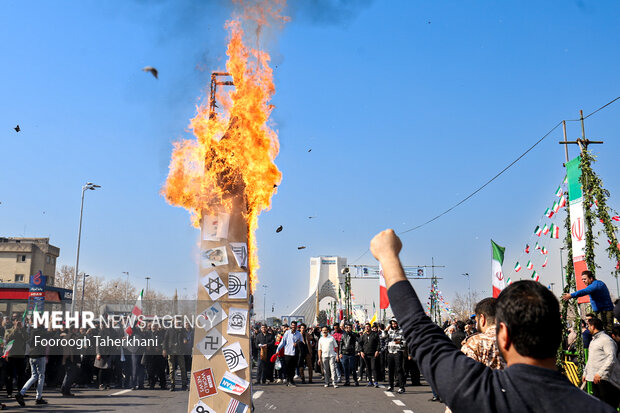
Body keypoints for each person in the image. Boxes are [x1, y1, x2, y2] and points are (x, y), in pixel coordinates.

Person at [370, 228, 616, 413]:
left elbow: (418, 329)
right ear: (558, 334)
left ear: (504, 335)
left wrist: (388, 256)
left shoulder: (479, 392)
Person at [584, 317, 620, 408]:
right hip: (594, 378)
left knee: (607, 405)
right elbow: (591, 359)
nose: (588, 328)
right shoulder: (594, 340)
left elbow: (611, 358)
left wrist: (600, 373)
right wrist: (585, 372)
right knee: (599, 406)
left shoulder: (606, 340)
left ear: (593, 326)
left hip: (605, 380)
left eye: (589, 325)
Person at [460, 297, 504, 370]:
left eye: (477, 321)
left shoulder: (473, 343)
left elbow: (463, 373)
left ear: (482, 319)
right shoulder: (516, 339)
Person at [15, 325, 49, 406]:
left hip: (32, 355)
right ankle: (38, 397)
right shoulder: (43, 332)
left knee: (34, 376)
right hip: (40, 355)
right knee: (41, 376)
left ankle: (21, 393)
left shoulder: (32, 331)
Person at [276, 320, 303, 387]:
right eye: (292, 325)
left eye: (294, 326)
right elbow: (283, 342)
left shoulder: (299, 334)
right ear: (291, 326)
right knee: (287, 368)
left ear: (296, 326)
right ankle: (288, 381)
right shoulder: (287, 333)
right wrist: (278, 349)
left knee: (293, 368)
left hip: (295, 353)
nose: (293, 327)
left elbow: (301, 342)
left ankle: (291, 380)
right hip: (287, 353)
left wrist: (297, 344)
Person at [386, 319, 406, 393]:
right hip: (390, 352)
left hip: (398, 352)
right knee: (390, 370)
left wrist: (399, 342)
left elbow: (405, 342)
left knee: (399, 370)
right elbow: (383, 337)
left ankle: (401, 387)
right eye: (392, 324)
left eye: (395, 323)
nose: (394, 325)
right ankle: (391, 386)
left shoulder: (401, 331)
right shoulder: (389, 331)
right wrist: (385, 330)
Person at [359, 322, 380, 387]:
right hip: (365, 354)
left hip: (373, 354)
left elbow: (378, 343)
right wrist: (361, 351)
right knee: (367, 368)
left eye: (368, 327)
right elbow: (360, 344)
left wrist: (377, 350)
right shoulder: (363, 336)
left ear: (370, 327)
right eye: (366, 327)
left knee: (373, 367)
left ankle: (376, 381)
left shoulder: (375, 334)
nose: (367, 328)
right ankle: (370, 381)